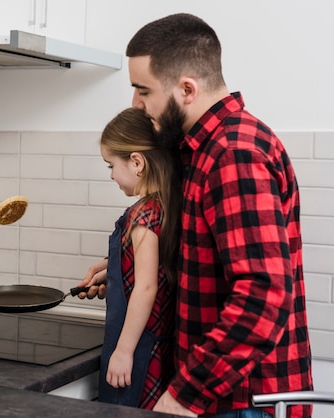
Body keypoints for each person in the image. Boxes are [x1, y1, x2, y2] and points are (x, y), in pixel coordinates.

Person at [80, 13, 313, 418]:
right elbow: (209, 259)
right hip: (226, 396)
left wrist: (185, 393)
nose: (136, 104)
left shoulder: (233, 154)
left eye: (143, 90)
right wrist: (122, 267)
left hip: (242, 400)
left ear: (187, 89)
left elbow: (262, 296)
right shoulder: (202, 150)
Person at [79, 107, 181, 409]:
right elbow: (152, 271)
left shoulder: (143, 216)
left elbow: (146, 287)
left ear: (137, 162)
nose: (111, 175)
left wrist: (122, 351)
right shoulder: (166, 205)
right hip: (158, 349)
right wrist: (113, 271)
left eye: (111, 165)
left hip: (136, 350)